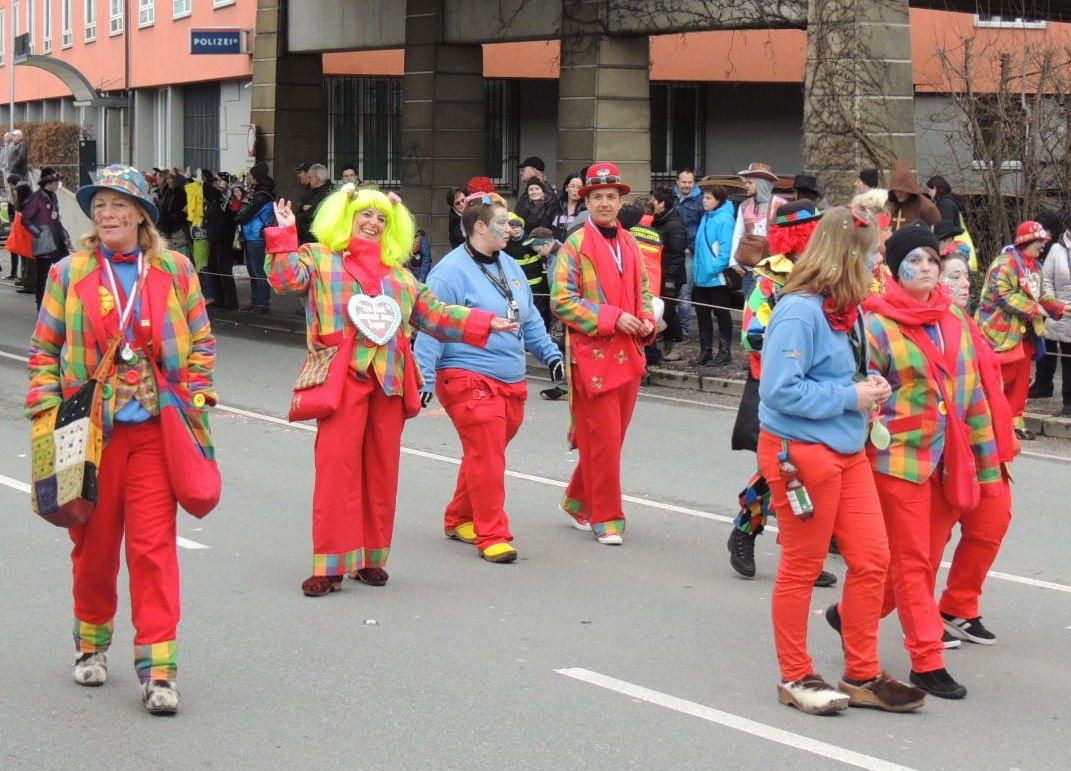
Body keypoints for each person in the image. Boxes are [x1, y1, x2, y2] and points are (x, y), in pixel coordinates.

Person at [26, 164, 217, 715]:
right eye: (100, 206)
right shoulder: (69, 272)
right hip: (90, 434)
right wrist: (47, 411)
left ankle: (159, 672)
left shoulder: (176, 270)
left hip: (155, 432)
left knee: (153, 551)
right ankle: (91, 643)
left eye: (119, 206)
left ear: (140, 215)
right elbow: (44, 349)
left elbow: (202, 339)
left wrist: (196, 393)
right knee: (93, 546)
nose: (107, 215)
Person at [264, 187, 518, 596]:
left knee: (382, 475)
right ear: (345, 217)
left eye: (382, 218)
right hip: (341, 381)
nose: (373, 223)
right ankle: (331, 564)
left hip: (389, 383)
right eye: (365, 215)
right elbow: (284, 280)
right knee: (336, 473)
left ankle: (369, 559)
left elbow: (435, 314)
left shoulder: (399, 277)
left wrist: (485, 322)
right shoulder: (318, 258)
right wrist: (284, 234)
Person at [758, 206, 923, 715]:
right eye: (873, 253)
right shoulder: (799, 310)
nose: (879, 263)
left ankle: (862, 673)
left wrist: (868, 386)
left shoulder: (849, 309)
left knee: (873, 560)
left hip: (847, 450)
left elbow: (836, 377)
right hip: (802, 453)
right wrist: (852, 395)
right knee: (803, 568)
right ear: (848, 254)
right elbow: (778, 390)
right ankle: (795, 675)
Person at [853, 221, 1002, 700]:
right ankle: (927, 659)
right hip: (897, 460)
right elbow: (861, 394)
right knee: (914, 561)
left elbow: (973, 397)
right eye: (913, 261)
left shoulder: (954, 319)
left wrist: (986, 465)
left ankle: (849, 615)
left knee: (918, 560)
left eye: (931, 260)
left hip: (949, 459)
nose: (925, 268)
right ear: (896, 269)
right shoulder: (876, 323)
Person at [415, 198, 563, 563]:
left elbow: (529, 317)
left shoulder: (509, 264)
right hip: (465, 375)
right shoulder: (448, 273)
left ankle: (459, 518)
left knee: (486, 453)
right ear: (480, 227)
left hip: (510, 378)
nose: (511, 228)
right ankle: (493, 534)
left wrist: (551, 355)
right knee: (488, 455)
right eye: (502, 222)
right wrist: (424, 378)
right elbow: (432, 325)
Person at [730, 200, 835, 587]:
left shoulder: (830, 279)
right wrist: (796, 347)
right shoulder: (769, 280)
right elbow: (752, 334)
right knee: (776, 470)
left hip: (820, 390)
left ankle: (804, 554)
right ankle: (745, 529)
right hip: (776, 389)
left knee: (817, 471)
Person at [551, 161, 656, 545]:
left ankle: (578, 501)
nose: (605, 203)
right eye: (598, 197)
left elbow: (644, 290)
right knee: (605, 440)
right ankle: (607, 517)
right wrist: (613, 318)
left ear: (620, 201)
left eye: (611, 196)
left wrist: (647, 319)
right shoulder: (574, 244)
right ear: (587, 201)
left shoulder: (631, 243)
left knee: (610, 440)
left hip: (629, 351)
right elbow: (562, 302)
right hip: (591, 355)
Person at [933, 249, 1017, 646]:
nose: (964, 283)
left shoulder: (971, 324)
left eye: (965, 276)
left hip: (986, 446)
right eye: (953, 276)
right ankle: (856, 614)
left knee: (991, 522)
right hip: (946, 450)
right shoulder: (931, 326)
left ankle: (958, 607)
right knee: (926, 545)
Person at [976, 221, 1068, 439]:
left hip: (1024, 335)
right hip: (999, 334)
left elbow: (1041, 295)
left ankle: (1014, 422)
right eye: (1040, 242)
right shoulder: (1005, 263)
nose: (1043, 246)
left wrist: (1060, 307)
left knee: (1020, 381)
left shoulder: (1034, 265)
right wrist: (1035, 309)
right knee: (999, 380)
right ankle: (992, 422)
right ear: (1028, 241)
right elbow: (1003, 294)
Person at [691, 181, 736, 366]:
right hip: (701, 277)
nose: (704, 200)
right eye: (704, 197)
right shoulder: (706, 216)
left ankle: (725, 352)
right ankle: (705, 351)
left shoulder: (724, 219)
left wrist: (712, 269)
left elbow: (725, 250)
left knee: (721, 314)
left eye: (708, 198)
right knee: (702, 315)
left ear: (718, 200)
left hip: (716, 278)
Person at [1031, 219, 1071, 415]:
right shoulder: (1056, 250)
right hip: (1062, 312)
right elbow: (1045, 281)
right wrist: (1054, 305)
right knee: (1067, 357)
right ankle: (1069, 402)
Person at [731, 162, 786, 301]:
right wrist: (733, 262)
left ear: (762, 184)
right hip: (750, 269)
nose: (746, 186)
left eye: (750, 182)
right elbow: (738, 234)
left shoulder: (780, 205)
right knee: (749, 306)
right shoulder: (744, 206)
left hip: (773, 270)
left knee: (771, 306)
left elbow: (787, 237)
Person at [650, 186, 688, 362]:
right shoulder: (661, 221)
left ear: (662, 204)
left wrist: (671, 279)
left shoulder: (674, 225)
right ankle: (665, 343)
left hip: (671, 276)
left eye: (654, 201)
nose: (652, 203)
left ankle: (674, 345)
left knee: (669, 311)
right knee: (662, 309)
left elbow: (677, 254)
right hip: (661, 274)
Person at [23, 168, 70, 308]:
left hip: (57, 239)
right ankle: (41, 305)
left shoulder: (53, 196)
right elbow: (26, 219)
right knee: (43, 275)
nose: (58, 185)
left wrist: (64, 235)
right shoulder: (36, 198)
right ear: (48, 182)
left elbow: (56, 218)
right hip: (44, 242)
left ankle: (61, 303)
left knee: (64, 270)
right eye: (56, 182)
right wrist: (39, 233)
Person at [236, 170, 276, 314]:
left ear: (256, 179)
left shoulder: (261, 197)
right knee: (254, 270)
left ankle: (261, 303)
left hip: (256, 236)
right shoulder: (265, 195)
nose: (249, 180)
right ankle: (256, 301)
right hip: (254, 236)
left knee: (257, 271)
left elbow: (246, 215)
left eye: (251, 177)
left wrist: (238, 216)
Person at [203, 175, 239, 310]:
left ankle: (231, 302)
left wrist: (203, 182)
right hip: (214, 238)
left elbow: (216, 193)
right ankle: (219, 299)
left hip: (224, 239)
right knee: (213, 268)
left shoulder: (225, 200)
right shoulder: (213, 201)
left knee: (224, 270)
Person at [886, 159, 940, 231]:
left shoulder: (927, 208)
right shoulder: (891, 206)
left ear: (908, 188)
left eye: (900, 191)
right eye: (895, 191)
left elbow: (936, 233)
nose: (897, 194)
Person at [295, 164, 333, 245]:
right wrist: (303, 208)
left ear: (318, 178)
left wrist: (304, 211)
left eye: (311, 177)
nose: (309, 179)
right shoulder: (311, 189)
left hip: (316, 238)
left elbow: (313, 213)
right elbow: (300, 206)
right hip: (306, 236)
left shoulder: (328, 192)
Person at [552, 173, 586, 242]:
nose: (575, 190)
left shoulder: (586, 210)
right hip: (555, 247)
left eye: (579, 187)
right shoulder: (556, 206)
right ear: (566, 188)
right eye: (572, 186)